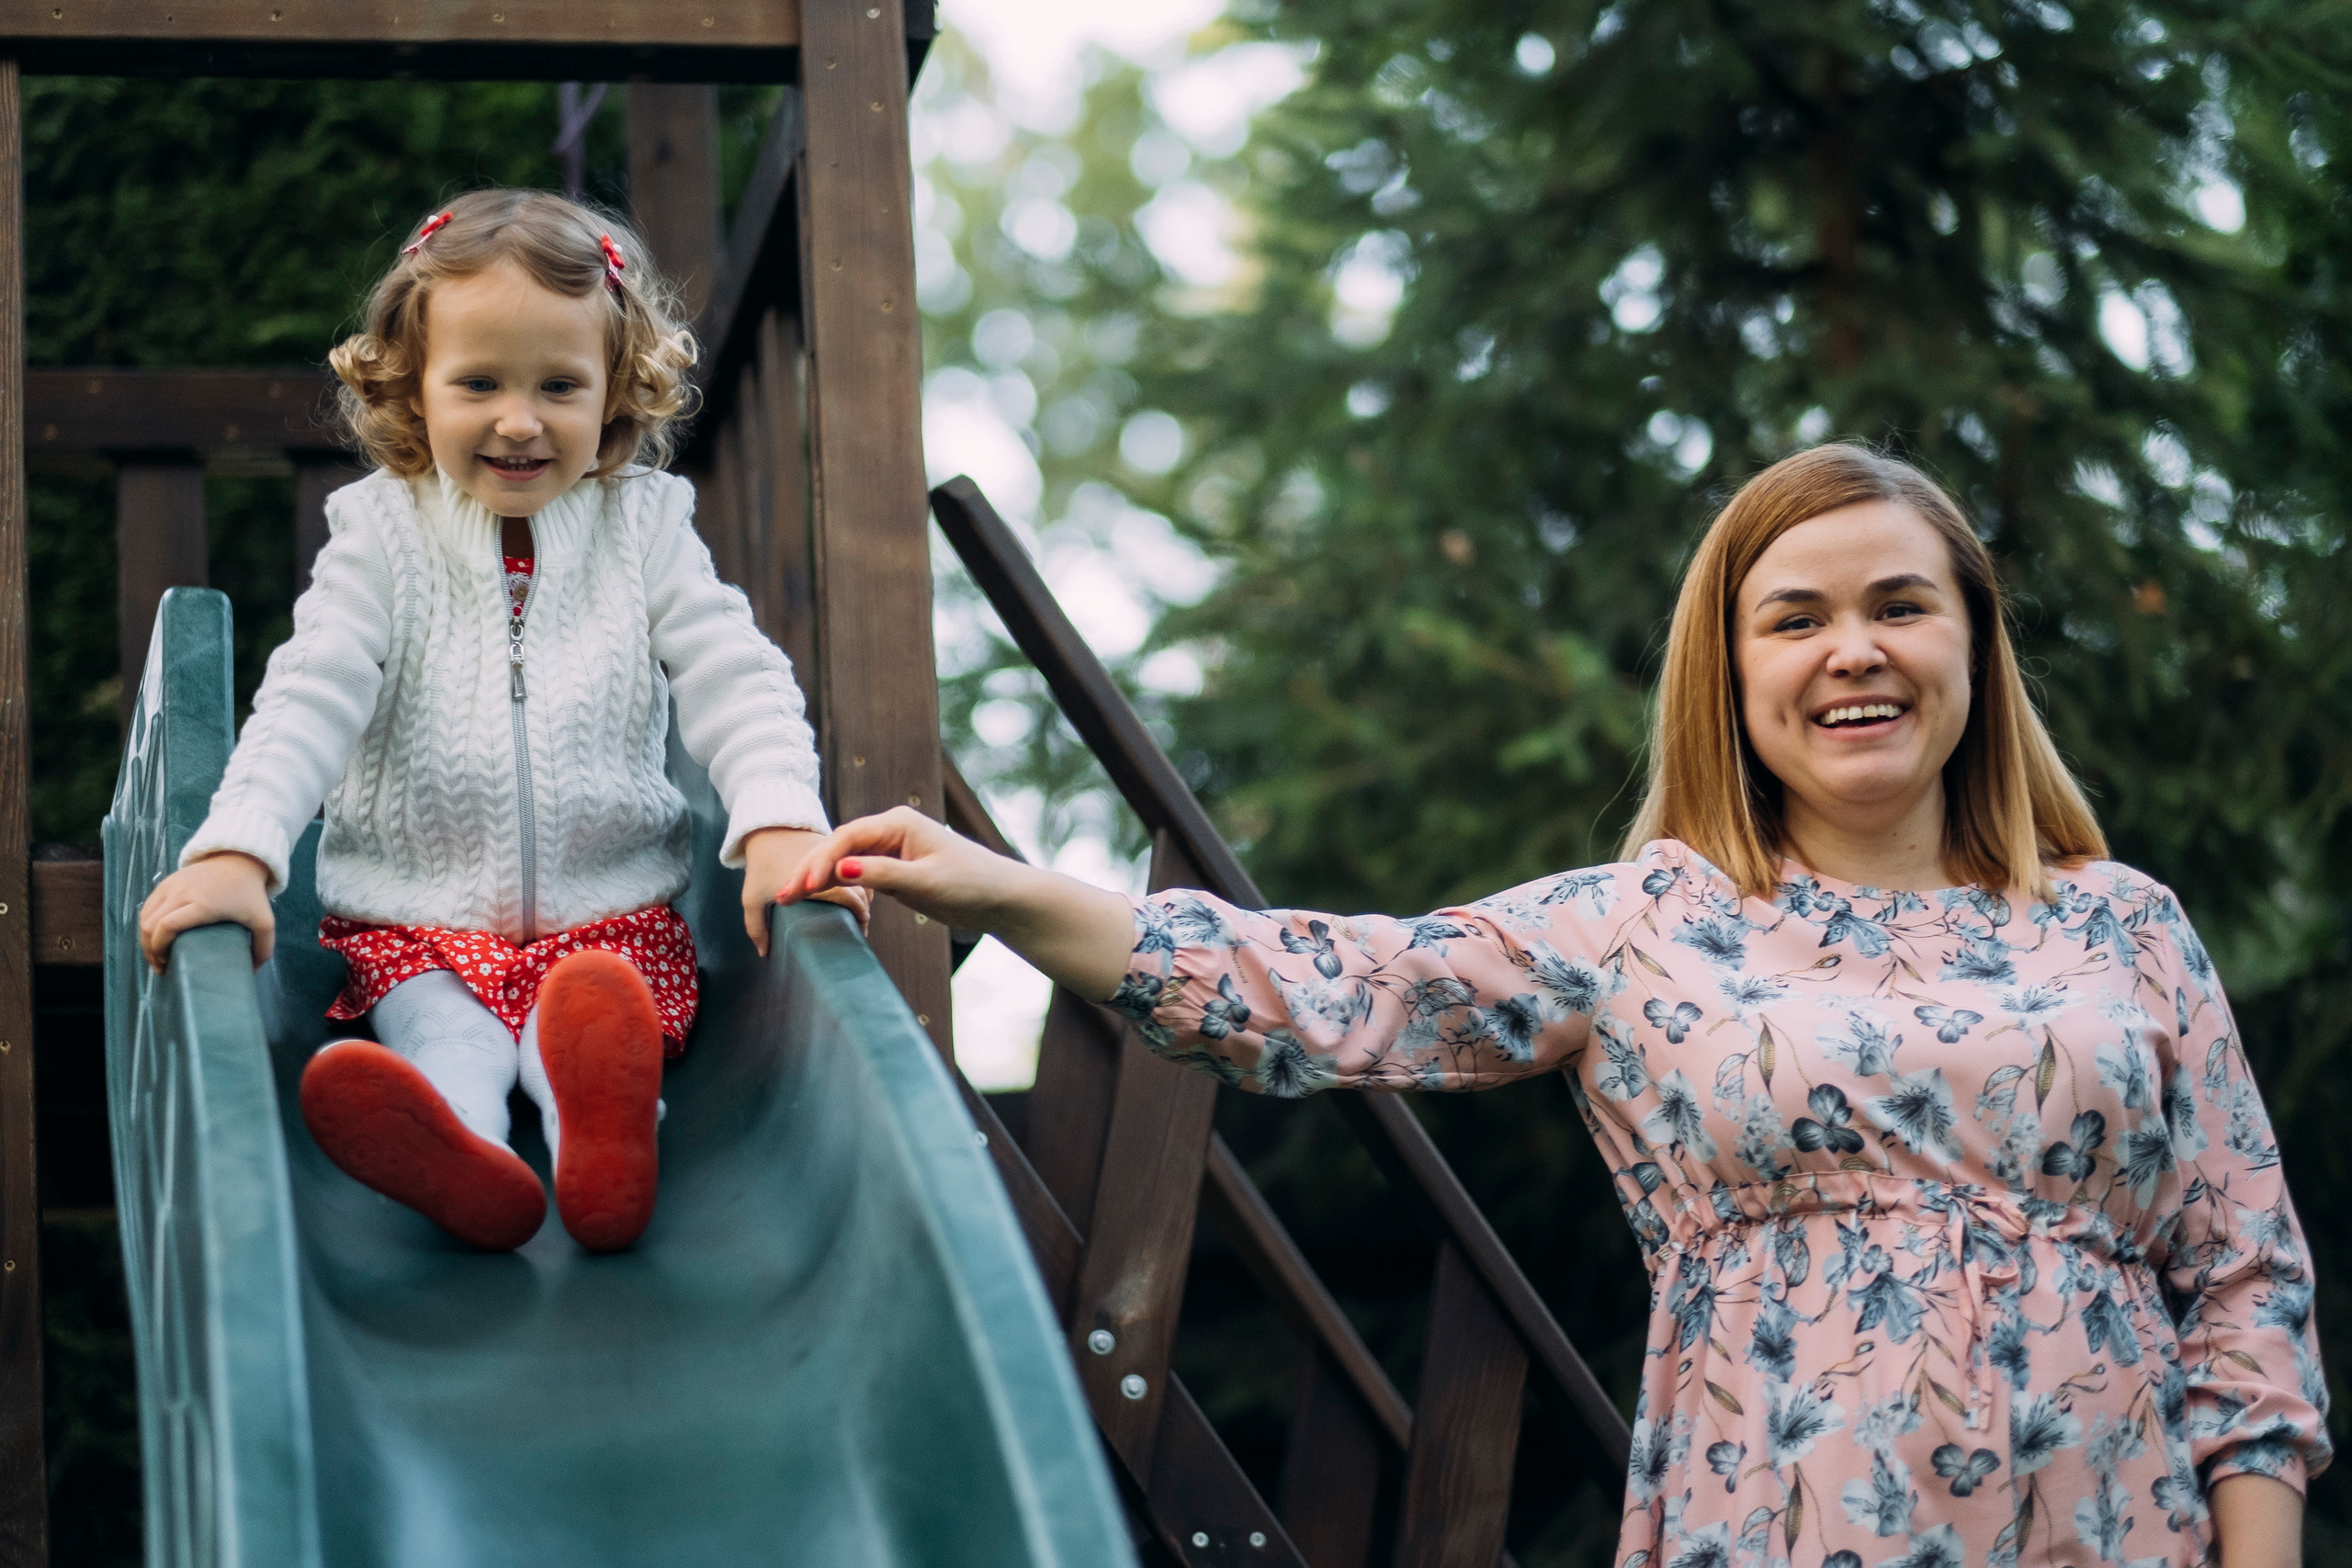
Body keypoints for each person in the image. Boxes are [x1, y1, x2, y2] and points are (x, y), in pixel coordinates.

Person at [784, 446, 2325, 1565]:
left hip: (2120, 1531)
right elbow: (1324, 992)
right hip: (1773, 1527)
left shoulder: (2122, 923)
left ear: (1972, 644)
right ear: (1728, 671)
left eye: (1900, 606)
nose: (1854, 649)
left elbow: (2247, 1282)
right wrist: (994, 886)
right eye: (1795, 617)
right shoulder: (1644, 919)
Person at [136, 188, 868, 1255]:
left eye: (558, 386)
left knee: (595, 1019)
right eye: (479, 383)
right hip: (416, 923)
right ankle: (461, 1154)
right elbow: (313, 689)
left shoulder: (646, 527)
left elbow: (734, 674)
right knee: (441, 1032)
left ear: (614, 393)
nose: (519, 420)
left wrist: (778, 823)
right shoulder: (381, 534)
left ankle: (601, 1145)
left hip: (610, 920)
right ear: (412, 389)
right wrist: (240, 850)